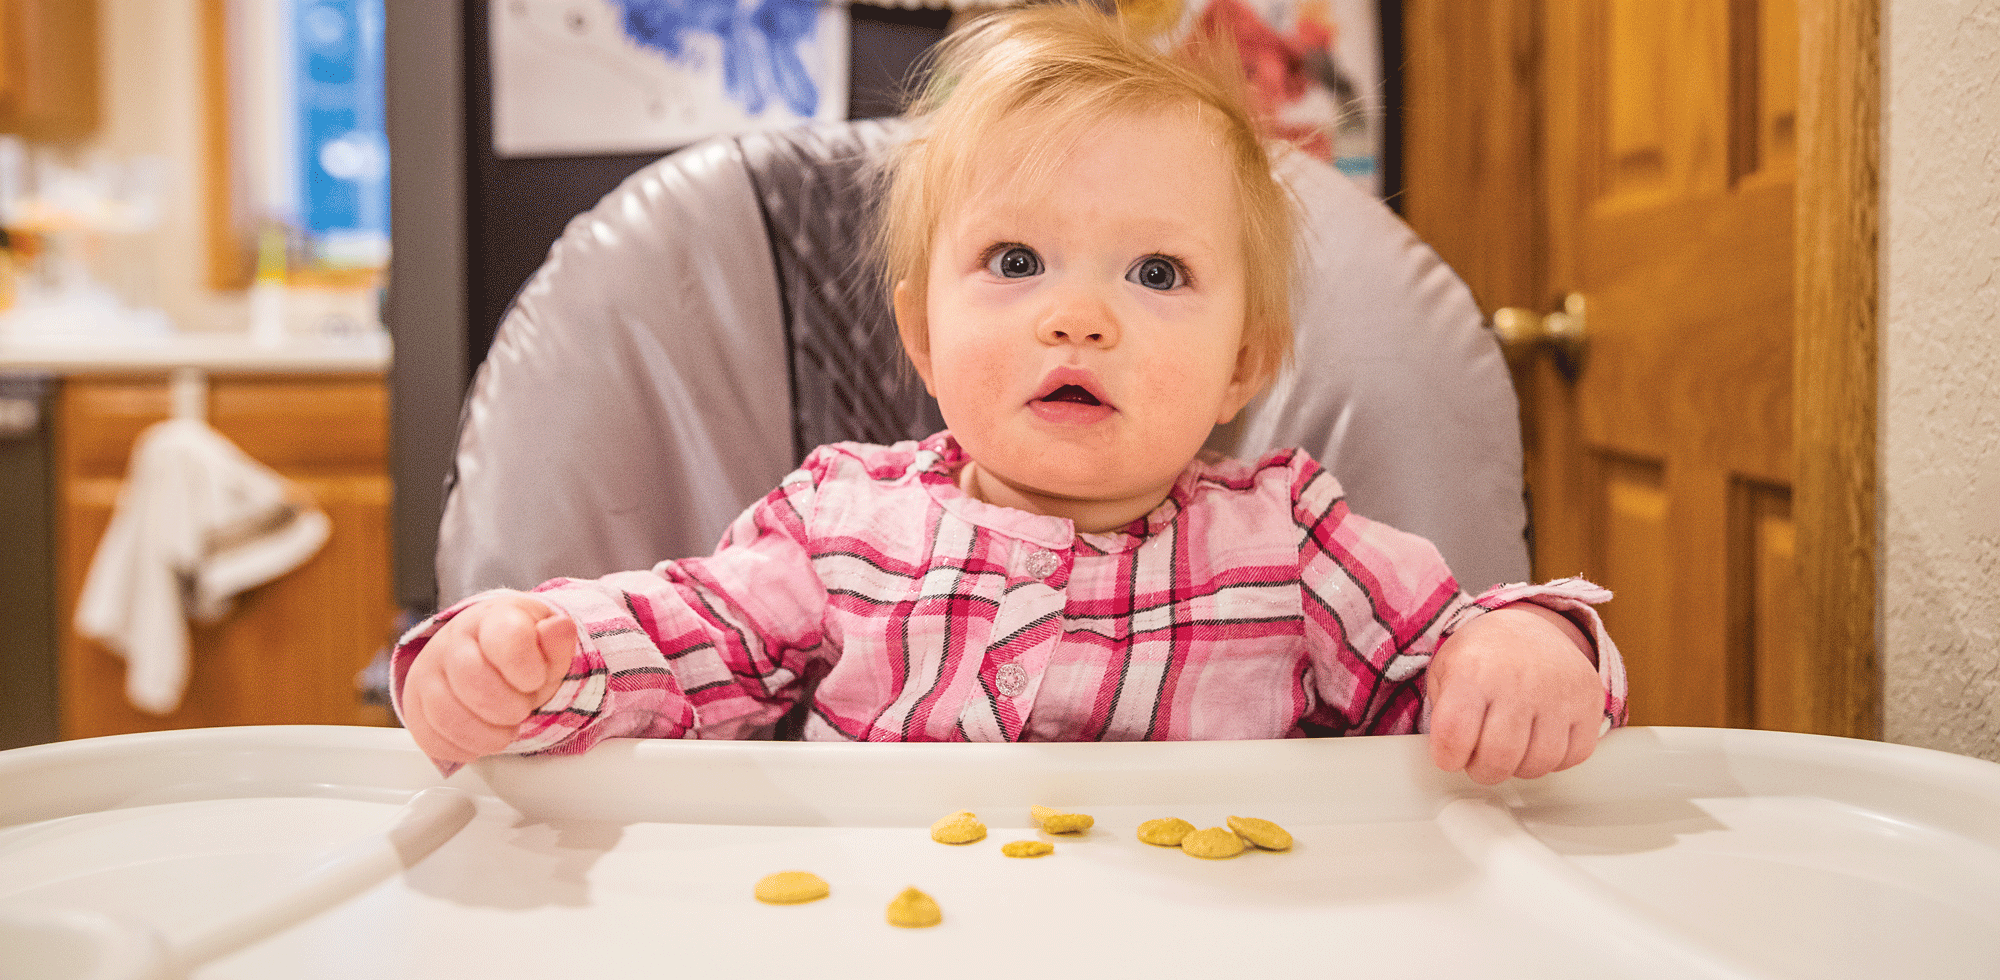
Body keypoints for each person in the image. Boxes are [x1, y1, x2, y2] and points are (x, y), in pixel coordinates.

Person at [393, 3, 1626, 785]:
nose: (1076, 314)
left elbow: (1451, 650)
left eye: (1155, 272)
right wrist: (528, 662)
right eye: (1015, 262)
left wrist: (1526, 651)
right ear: (922, 335)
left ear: (1245, 363)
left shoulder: (1292, 546)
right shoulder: (838, 531)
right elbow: (682, 639)